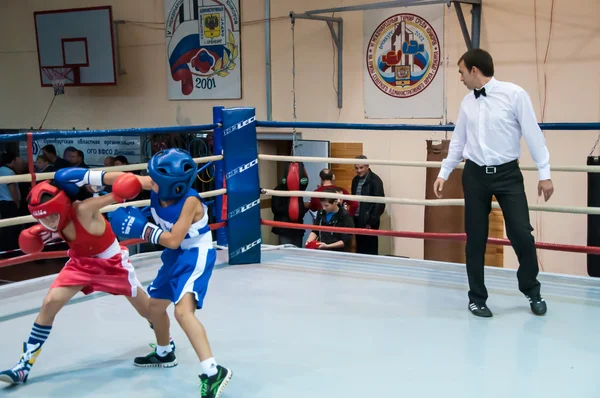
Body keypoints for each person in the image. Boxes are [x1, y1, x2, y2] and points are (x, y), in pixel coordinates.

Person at [0, 169, 175, 386]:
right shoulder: (51, 221)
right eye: (44, 218)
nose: (50, 222)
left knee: (149, 310)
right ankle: (23, 367)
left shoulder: (84, 209)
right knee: (50, 303)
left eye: (52, 216)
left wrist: (129, 185)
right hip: (80, 263)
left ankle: (166, 347)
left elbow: (121, 193)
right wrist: (38, 234)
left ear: (62, 206)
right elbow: (53, 225)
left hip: (112, 264)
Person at [433, 48, 553, 318]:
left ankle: (532, 290)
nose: (461, 77)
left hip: (508, 174)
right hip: (474, 174)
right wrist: (444, 171)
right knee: (475, 238)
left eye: (462, 72)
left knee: (521, 233)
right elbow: (459, 141)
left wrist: (544, 173)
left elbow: (533, 134)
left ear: (474, 70)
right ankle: (476, 298)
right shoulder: (467, 103)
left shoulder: (515, 95)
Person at [104, 148, 232, 398]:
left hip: (196, 253)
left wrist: (143, 229)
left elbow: (173, 240)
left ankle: (213, 371)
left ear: (167, 184)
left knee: (183, 312)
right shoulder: (154, 186)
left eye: (153, 178)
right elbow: (122, 179)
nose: (148, 181)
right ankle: (165, 353)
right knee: (154, 308)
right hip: (175, 256)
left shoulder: (191, 201)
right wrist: (88, 177)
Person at [351, 155, 386, 255]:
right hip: (357, 219)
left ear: (367, 166)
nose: (359, 170)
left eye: (361, 167)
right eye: (356, 168)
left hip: (369, 222)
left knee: (370, 249)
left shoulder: (375, 181)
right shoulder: (355, 180)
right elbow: (354, 200)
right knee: (360, 249)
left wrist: (370, 222)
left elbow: (379, 204)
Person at [305, 187, 354, 251]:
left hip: (338, 252)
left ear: (335, 202)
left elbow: (345, 241)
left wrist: (328, 246)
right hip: (321, 249)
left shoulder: (345, 216)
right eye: (322, 205)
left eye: (326, 205)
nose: (324, 208)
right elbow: (315, 230)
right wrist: (308, 241)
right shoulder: (321, 212)